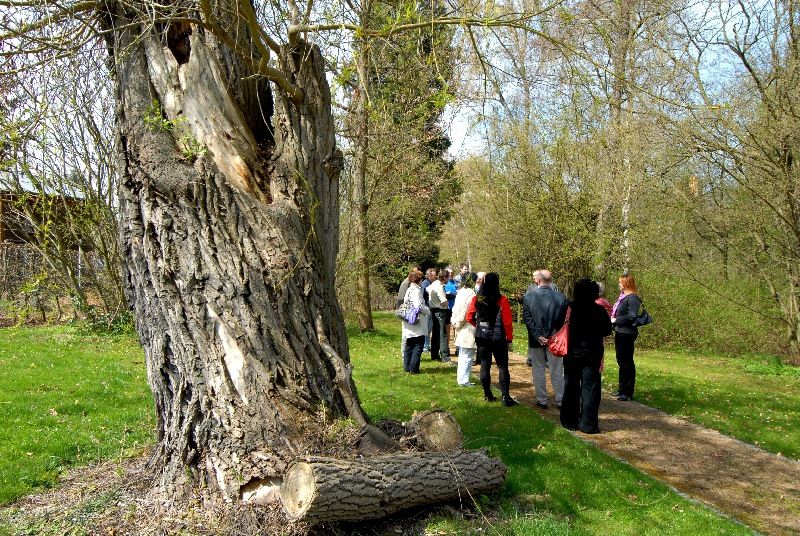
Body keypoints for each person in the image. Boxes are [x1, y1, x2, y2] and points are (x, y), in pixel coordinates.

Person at [560, 279, 612, 433]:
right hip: (592, 353)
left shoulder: (569, 308)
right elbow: (607, 330)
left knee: (571, 386)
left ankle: (569, 420)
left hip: (572, 352)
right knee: (591, 389)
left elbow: (559, 325)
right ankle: (588, 424)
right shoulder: (599, 310)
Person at [466, 272, 517, 406]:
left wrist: (478, 326)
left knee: (485, 364)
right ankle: (505, 397)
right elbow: (507, 322)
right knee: (502, 366)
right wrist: (509, 338)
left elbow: (469, 317)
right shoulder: (502, 300)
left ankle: (488, 394)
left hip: (482, 336)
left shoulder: (477, 298)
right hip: (498, 337)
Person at [522, 269, 568, 409]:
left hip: (537, 339)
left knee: (538, 369)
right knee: (557, 370)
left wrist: (538, 336)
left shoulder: (529, 297)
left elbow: (528, 319)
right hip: (554, 338)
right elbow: (561, 320)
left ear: (539, 280)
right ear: (550, 280)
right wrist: (552, 335)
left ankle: (542, 400)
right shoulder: (561, 298)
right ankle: (560, 400)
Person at [611, 273, 643, 401]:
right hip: (620, 331)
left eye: (620, 282)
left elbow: (632, 316)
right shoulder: (623, 297)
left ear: (626, 284)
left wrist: (616, 320)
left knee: (627, 361)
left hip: (627, 333)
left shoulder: (633, 298)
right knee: (621, 360)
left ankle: (628, 391)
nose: (618, 284)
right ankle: (622, 388)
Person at [401, 269, 431, 374]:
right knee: (418, 345)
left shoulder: (409, 289)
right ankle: (413, 369)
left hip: (409, 319)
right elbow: (418, 306)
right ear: (419, 280)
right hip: (416, 321)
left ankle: (407, 366)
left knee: (409, 345)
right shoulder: (416, 290)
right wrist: (427, 310)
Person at [451, 274, 477, 386]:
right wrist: (458, 323)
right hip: (467, 326)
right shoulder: (471, 294)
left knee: (463, 354)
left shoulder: (461, 292)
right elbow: (465, 311)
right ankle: (463, 380)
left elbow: (456, 309)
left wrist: (455, 322)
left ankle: (462, 379)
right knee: (467, 355)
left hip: (462, 325)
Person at [396, 265, 420, 360]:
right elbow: (402, 298)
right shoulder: (408, 283)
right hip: (406, 312)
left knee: (407, 334)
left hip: (406, 311)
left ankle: (406, 355)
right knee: (406, 334)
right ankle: (404, 355)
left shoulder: (408, 282)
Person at [427, 270, 451, 362]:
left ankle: (434, 354)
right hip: (440, 311)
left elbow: (427, 290)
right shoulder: (439, 287)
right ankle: (445, 357)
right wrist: (447, 303)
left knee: (436, 333)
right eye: (448, 277)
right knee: (442, 334)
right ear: (444, 277)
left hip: (433, 310)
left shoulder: (434, 283)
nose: (449, 279)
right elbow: (443, 301)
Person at [421, 268, 437, 352]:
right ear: (429, 275)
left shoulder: (433, 283)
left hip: (431, 308)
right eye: (434, 275)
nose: (436, 276)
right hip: (427, 308)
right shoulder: (425, 283)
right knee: (426, 328)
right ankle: (425, 346)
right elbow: (422, 295)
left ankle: (427, 344)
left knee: (429, 328)